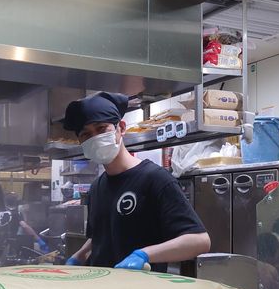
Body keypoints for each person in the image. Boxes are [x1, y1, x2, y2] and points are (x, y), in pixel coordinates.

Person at [61, 91, 210, 271]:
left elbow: (200, 241)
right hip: (104, 287)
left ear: (121, 128)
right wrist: (79, 255)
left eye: (101, 129)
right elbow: (102, 235)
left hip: (142, 288)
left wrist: (144, 254)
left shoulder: (155, 179)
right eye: (86, 134)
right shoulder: (96, 188)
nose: (95, 138)